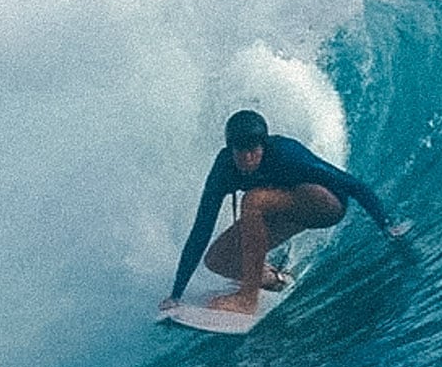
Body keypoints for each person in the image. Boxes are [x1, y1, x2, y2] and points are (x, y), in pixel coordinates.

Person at [163, 110, 408, 315]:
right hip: (283, 211)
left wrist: (386, 225)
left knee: (254, 199)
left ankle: (248, 300)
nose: (248, 158)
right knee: (218, 259)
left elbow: (349, 183)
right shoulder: (224, 169)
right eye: (241, 152)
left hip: (325, 203)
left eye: (254, 151)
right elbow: (202, 228)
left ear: (263, 146)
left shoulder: (285, 152)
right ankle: (275, 279)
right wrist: (176, 295)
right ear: (231, 149)